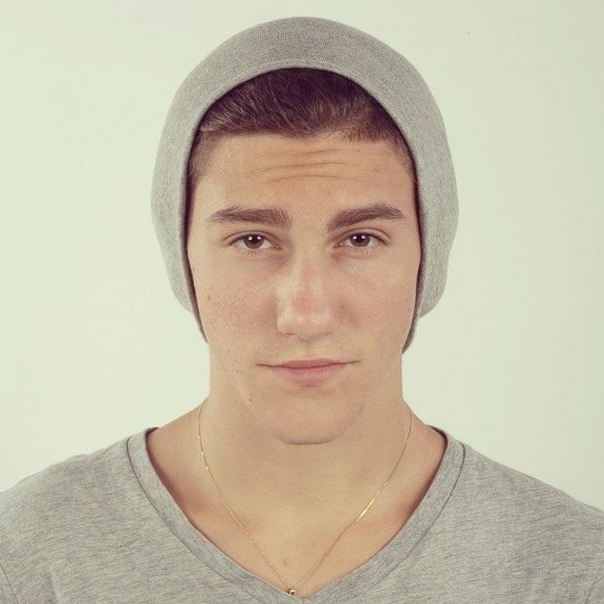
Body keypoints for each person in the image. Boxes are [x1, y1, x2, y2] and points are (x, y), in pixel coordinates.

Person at [0, 16, 602, 603]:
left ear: (428, 254)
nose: (307, 315)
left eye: (361, 239)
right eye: (252, 240)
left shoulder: (573, 571)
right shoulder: (29, 557)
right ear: (183, 257)